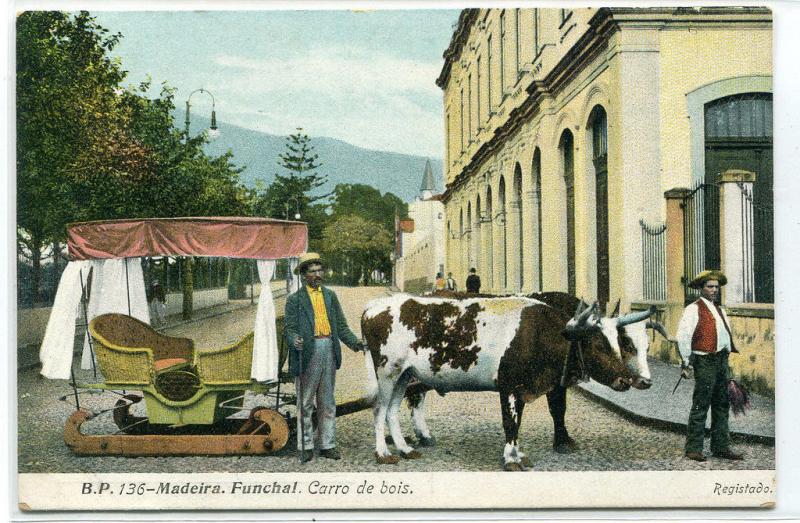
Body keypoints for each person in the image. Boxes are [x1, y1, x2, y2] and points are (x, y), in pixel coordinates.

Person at [284, 252, 365, 463]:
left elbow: (341, 326)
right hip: (307, 352)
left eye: (320, 270)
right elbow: (289, 329)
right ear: (303, 275)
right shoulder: (295, 300)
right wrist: (294, 340)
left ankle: (328, 444)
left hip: (328, 348)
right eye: (312, 271)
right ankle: (306, 445)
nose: (318, 274)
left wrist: (356, 342)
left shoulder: (330, 296)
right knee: (305, 401)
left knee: (327, 401)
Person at [676, 269, 743, 462]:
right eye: (710, 286)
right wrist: (686, 362)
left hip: (721, 360)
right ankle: (693, 449)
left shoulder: (719, 309)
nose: (714, 290)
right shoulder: (693, 309)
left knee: (722, 404)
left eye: (716, 287)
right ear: (701, 288)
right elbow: (683, 337)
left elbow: (723, 335)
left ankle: (721, 446)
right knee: (701, 403)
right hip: (704, 361)